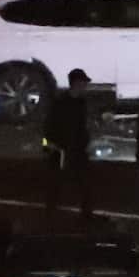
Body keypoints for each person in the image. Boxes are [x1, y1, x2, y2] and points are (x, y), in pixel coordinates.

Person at [43, 68, 92, 220]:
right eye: (83, 83)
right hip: (61, 148)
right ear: (76, 83)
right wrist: (51, 145)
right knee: (56, 181)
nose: (85, 86)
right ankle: (50, 212)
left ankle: (86, 212)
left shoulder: (80, 102)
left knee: (84, 181)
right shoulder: (61, 103)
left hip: (77, 148)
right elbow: (50, 126)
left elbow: (81, 126)